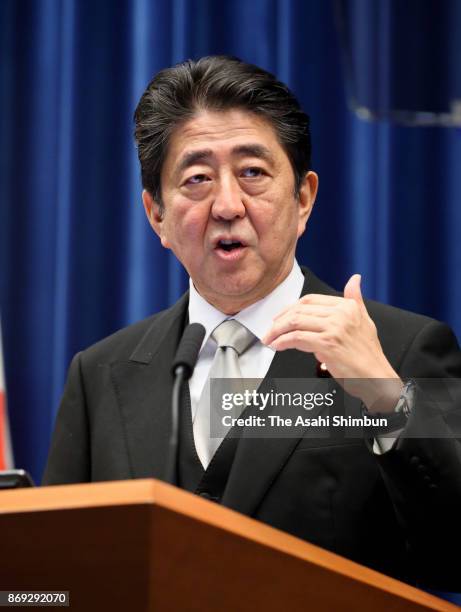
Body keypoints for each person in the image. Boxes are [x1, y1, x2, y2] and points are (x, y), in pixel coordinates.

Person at [43, 56, 461, 590]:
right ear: (157, 217)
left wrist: (384, 399)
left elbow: (453, 553)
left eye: (252, 173)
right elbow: (52, 579)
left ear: (303, 198)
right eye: (196, 179)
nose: (226, 204)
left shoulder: (403, 349)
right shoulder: (100, 373)